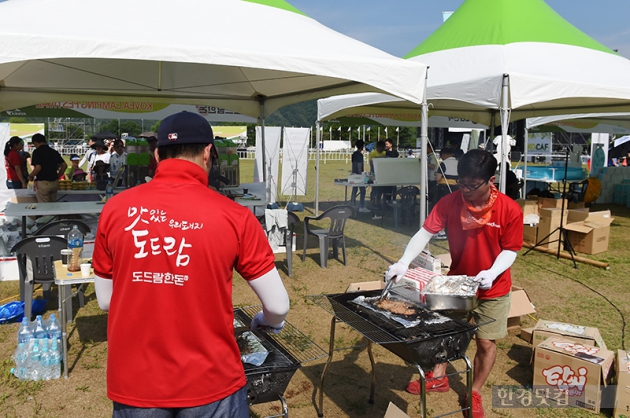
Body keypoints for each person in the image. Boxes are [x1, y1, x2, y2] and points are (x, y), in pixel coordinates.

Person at [93, 110, 290, 417]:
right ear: (208, 152)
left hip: (137, 381)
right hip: (212, 381)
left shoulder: (115, 209)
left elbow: (106, 301)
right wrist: (268, 322)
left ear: (157, 154)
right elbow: (277, 305)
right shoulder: (235, 216)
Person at [385, 149, 523, 418]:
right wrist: (403, 262)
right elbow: (425, 232)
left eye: (473, 185)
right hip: (457, 283)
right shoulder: (450, 202)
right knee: (445, 333)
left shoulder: (509, 209)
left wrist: (493, 271)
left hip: (492, 287)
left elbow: (511, 249)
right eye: (462, 183)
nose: (466, 191)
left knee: (485, 343)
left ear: (490, 180)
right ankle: (438, 377)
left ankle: (475, 390)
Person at [27, 134, 67, 202]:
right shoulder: (53, 151)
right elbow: (64, 165)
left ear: (35, 143)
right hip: (54, 182)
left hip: (43, 182)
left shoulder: (37, 152)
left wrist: (31, 176)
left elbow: (38, 168)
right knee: (53, 206)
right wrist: (58, 175)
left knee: (45, 208)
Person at [368, 140, 387, 219]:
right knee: (374, 188)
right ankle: (372, 202)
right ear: (378, 147)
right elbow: (371, 163)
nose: (382, 149)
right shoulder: (373, 153)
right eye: (381, 148)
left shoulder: (384, 153)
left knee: (380, 189)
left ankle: (378, 202)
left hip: (382, 173)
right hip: (374, 172)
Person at [350, 139, 370, 213]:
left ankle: (352, 204)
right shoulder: (360, 155)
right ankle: (362, 206)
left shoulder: (354, 154)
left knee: (354, 190)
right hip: (359, 174)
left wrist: (353, 172)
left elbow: (353, 164)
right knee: (362, 190)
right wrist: (361, 173)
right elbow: (359, 164)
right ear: (362, 146)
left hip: (354, 173)